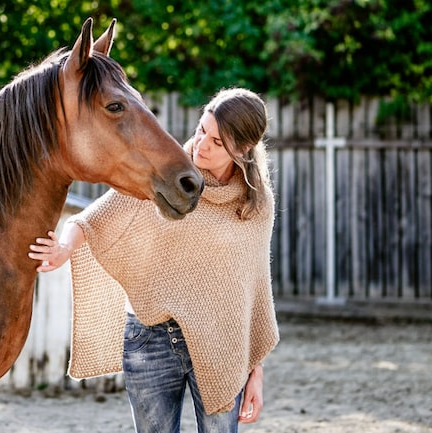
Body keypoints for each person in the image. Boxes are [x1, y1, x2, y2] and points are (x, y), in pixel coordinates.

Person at [28, 87, 279, 433]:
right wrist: (64, 248)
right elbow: (91, 220)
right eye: (201, 131)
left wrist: (256, 372)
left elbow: (252, 296)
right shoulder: (167, 175)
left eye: (218, 142)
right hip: (150, 342)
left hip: (223, 345)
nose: (202, 145)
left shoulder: (255, 205)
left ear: (243, 148)